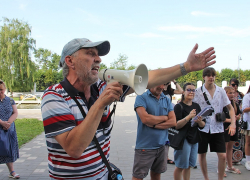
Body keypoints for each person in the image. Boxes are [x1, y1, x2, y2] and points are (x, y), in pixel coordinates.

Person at [41, 38, 216, 179]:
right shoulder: (54, 97)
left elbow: (148, 78)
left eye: (98, 55)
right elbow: (74, 148)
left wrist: (185, 67)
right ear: (70, 61)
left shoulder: (101, 88)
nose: (99, 59)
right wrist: (100, 104)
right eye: (90, 53)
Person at [193, 67, 236, 180]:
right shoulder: (197, 92)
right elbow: (192, 108)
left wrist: (233, 124)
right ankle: (206, 178)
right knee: (202, 154)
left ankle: (220, 178)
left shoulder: (220, 91)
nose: (211, 77)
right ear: (203, 77)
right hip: (203, 127)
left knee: (222, 156)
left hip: (218, 127)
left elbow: (230, 108)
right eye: (208, 75)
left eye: (213, 75)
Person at [132, 84, 176, 180]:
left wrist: (155, 125)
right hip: (145, 146)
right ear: (152, 83)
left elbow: (173, 121)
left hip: (162, 145)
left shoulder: (166, 99)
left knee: (156, 174)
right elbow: (145, 119)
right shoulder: (141, 97)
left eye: (163, 84)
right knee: (138, 177)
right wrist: (164, 118)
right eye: (158, 84)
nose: (161, 87)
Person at [173, 83, 205, 180]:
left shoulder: (196, 106)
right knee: (180, 166)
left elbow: (203, 125)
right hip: (183, 140)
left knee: (189, 166)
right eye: (189, 90)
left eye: (193, 90)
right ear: (183, 92)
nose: (191, 92)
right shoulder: (179, 106)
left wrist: (199, 122)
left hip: (194, 138)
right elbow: (176, 126)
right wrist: (188, 117)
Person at [0, 80, 20, 179]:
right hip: (0, 126)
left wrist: (8, 123)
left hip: (9, 129)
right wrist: (1, 122)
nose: (0, 92)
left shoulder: (10, 100)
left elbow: (15, 112)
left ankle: (12, 171)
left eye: (1, 90)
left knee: (8, 150)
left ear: (5, 89)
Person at [223, 86, 241, 174]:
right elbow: (221, 118)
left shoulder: (234, 104)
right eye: (230, 93)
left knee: (230, 148)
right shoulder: (222, 104)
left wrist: (236, 118)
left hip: (234, 127)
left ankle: (229, 166)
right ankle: (221, 168)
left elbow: (238, 114)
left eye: (233, 93)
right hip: (225, 127)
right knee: (223, 149)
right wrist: (232, 120)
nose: (232, 95)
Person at [241, 85, 250, 170]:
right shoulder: (247, 96)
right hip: (249, 123)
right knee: (248, 142)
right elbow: (244, 109)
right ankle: (248, 161)